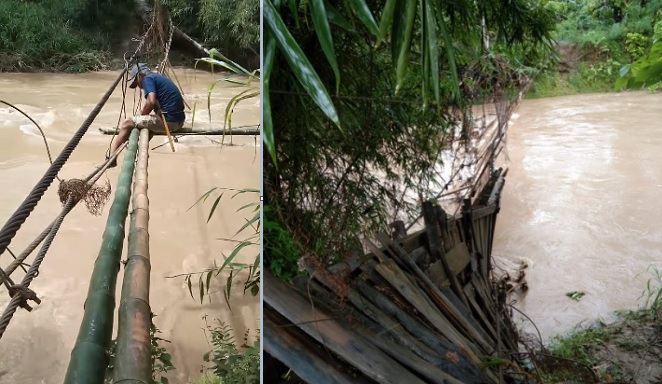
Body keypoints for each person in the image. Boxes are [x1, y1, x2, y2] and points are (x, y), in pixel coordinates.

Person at [106, 63, 186, 167]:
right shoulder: (158, 77)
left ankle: (111, 159)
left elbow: (151, 102)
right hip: (179, 121)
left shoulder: (148, 79)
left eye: (137, 82)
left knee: (127, 123)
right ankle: (138, 151)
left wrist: (141, 116)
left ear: (140, 75)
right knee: (141, 126)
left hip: (170, 122)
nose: (139, 86)